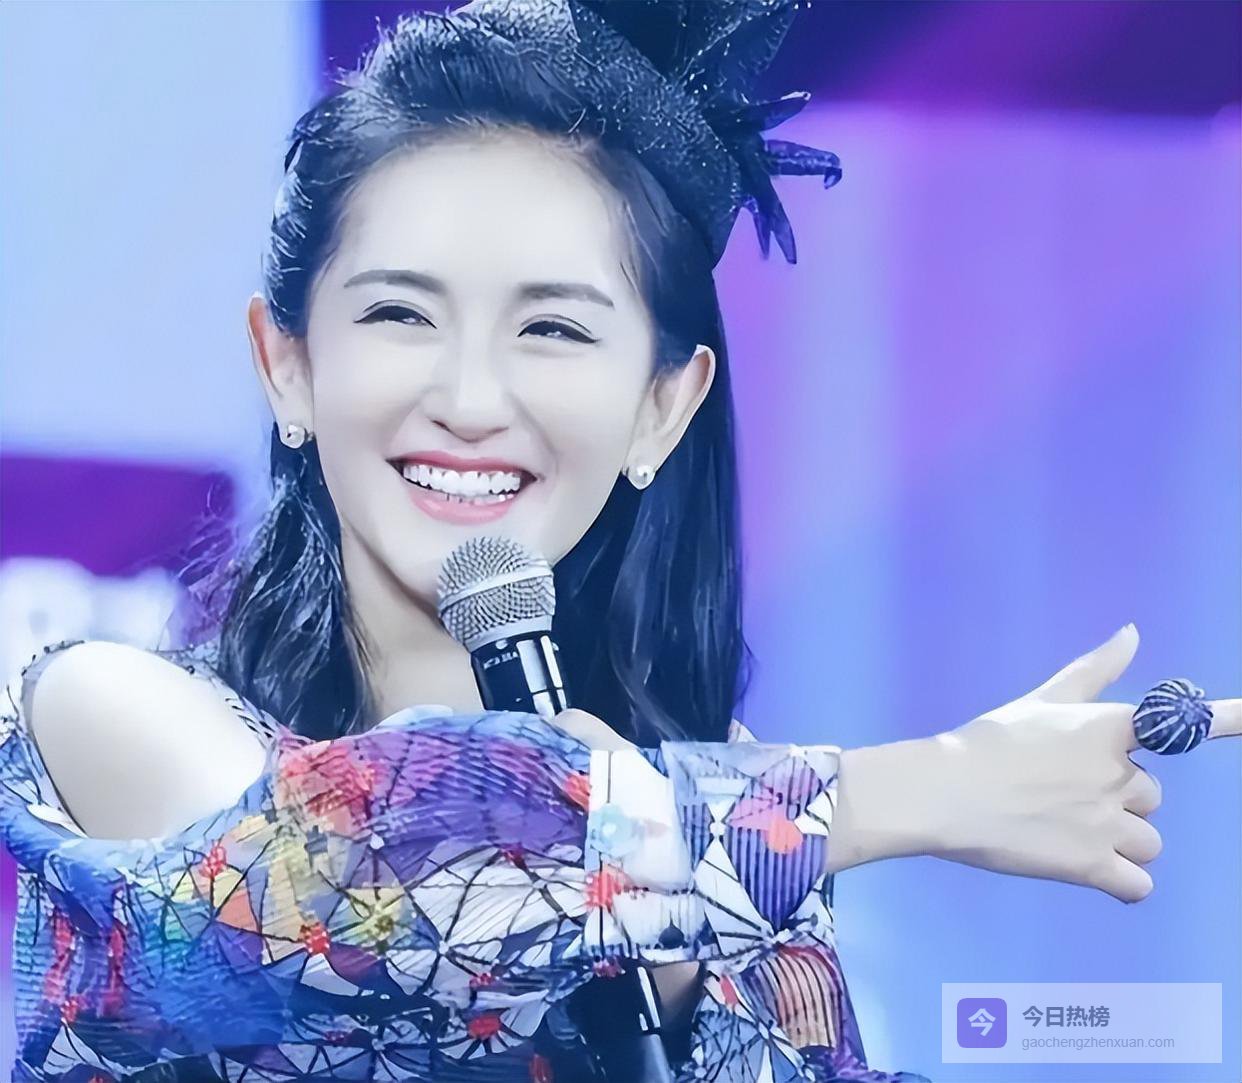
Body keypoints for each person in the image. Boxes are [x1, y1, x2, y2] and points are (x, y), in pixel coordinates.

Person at [3, 1, 1236, 1080]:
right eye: (400, 315)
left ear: (663, 407)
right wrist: (931, 786)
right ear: (287, 366)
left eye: (552, 329)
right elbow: (376, 876)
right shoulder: (106, 714)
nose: (471, 398)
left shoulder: (718, 829)